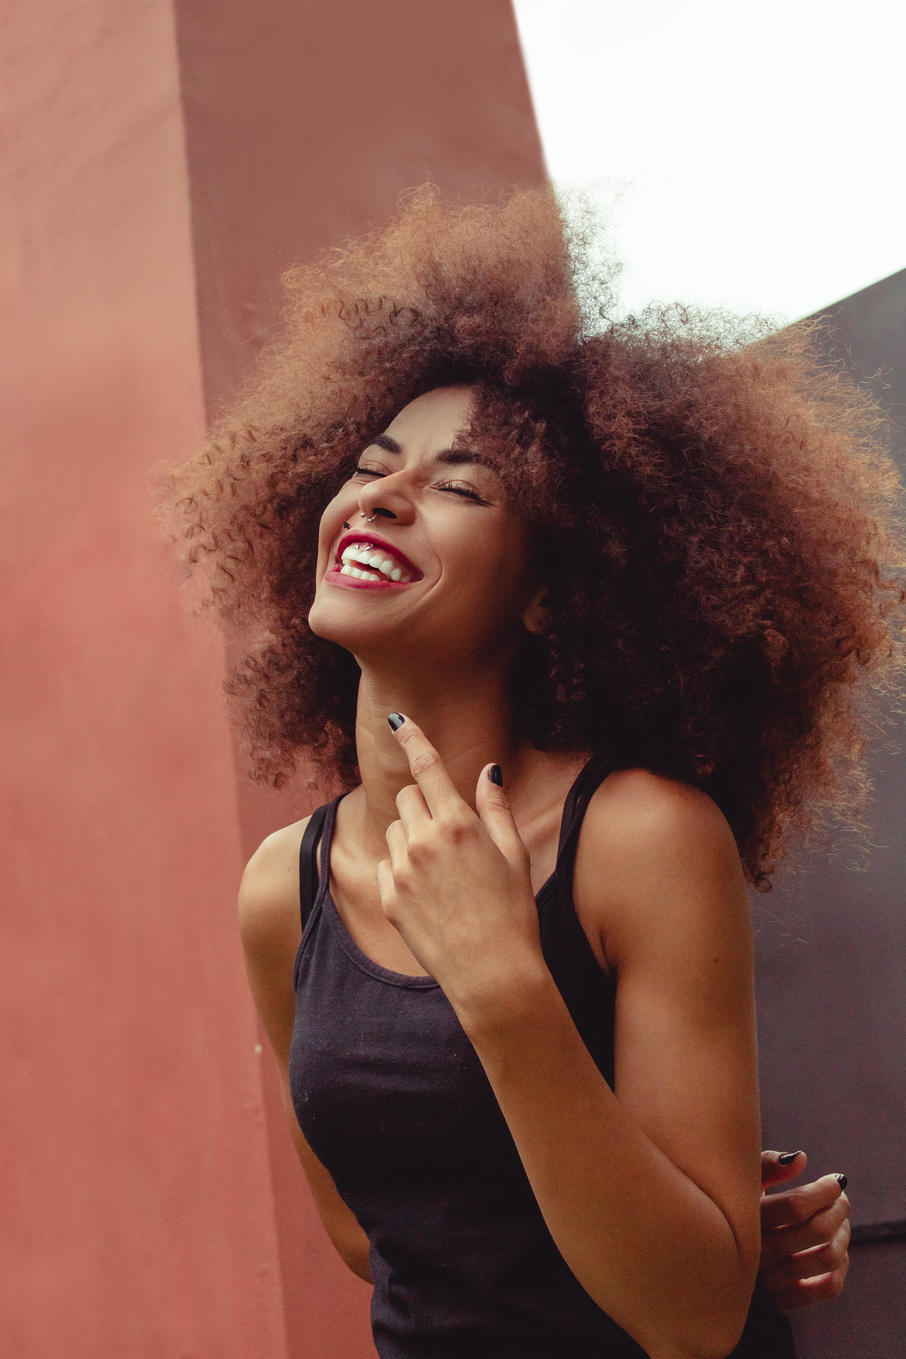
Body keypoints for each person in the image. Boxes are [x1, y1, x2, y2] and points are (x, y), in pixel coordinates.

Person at [167, 189, 899, 1357]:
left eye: (461, 488)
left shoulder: (639, 837)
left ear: (556, 590)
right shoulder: (281, 890)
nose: (384, 496)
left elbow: (690, 1318)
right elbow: (379, 1233)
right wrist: (677, 1205)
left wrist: (502, 986)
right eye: (372, 463)